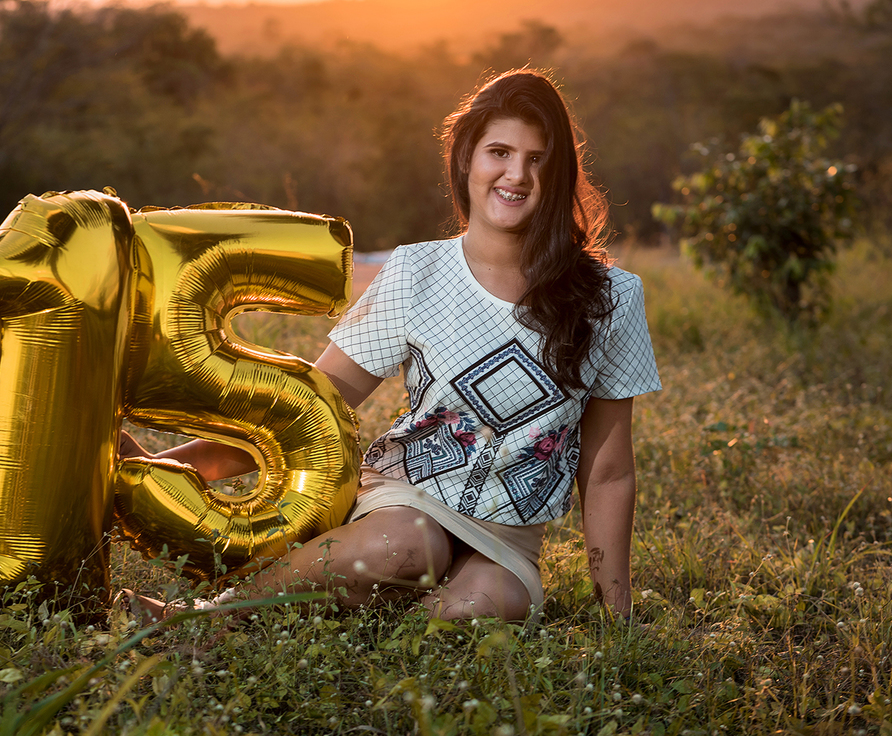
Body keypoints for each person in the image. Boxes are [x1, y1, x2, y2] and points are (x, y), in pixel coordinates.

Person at [120, 69, 660, 623]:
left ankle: (372, 621)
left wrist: (616, 615)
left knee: (480, 609)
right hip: (405, 504)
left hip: (507, 540)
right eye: (499, 152)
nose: (517, 175)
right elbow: (309, 411)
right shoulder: (415, 271)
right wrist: (155, 469)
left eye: (538, 158)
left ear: (560, 171)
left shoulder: (610, 297)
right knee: (406, 548)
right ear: (466, 159)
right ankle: (206, 619)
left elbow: (608, 470)